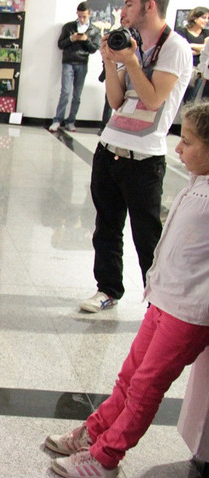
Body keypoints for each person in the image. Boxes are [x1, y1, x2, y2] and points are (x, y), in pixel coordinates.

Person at [45, 101, 209, 478]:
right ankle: (97, 431)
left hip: (190, 311)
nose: (178, 148)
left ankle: (106, 457)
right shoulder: (197, 183)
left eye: (188, 142)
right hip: (164, 301)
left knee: (147, 386)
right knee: (130, 375)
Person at [79, 0, 190, 314]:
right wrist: (112, 62)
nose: (123, 10)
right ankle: (108, 289)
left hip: (144, 158)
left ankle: (158, 303)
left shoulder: (175, 47)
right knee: (107, 228)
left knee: (147, 234)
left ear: (150, 6)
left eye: (129, 3)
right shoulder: (134, 46)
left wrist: (130, 62)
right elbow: (116, 101)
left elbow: (154, 99)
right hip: (109, 149)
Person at [48, 2, 102, 133]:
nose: (81, 19)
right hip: (68, 62)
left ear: (89, 14)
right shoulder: (69, 27)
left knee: (77, 95)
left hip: (82, 63)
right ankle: (57, 120)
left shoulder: (94, 30)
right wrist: (72, 38)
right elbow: (60, 44)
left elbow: (94, 49)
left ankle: (71, 121)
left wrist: (86, 40)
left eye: (84, 16)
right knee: (65, 92)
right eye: (79, 16)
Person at [175, 7, 209, 102]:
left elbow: (206, 48)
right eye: (203, 17)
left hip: (197, 71)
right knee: (177, 98)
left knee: (190, 100)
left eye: (207, 18)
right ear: (195, 18)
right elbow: (180, 48)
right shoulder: (182, 31)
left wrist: (190, 45)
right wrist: (198, 49)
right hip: (182, 69)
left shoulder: (206, 33)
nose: (206, 21)